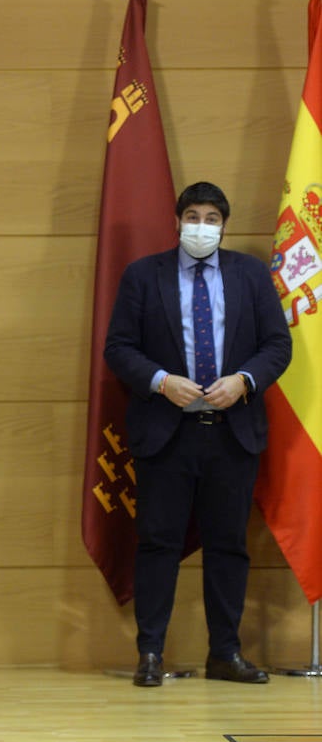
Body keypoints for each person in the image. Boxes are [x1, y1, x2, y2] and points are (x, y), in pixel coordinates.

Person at [105, 181, 292, 688]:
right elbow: (119, 348)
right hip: (167, 433)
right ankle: (150, 654)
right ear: (177, 220)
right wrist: (162, 382)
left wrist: (245, 380)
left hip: (232, 434)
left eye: (212, 218)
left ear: (224, 226)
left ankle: (225, 654)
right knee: (158, 544)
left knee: (228, 545)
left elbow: (278, 345)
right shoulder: (145, 276)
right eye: (193, 215)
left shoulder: (251, 275)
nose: (201, 226)